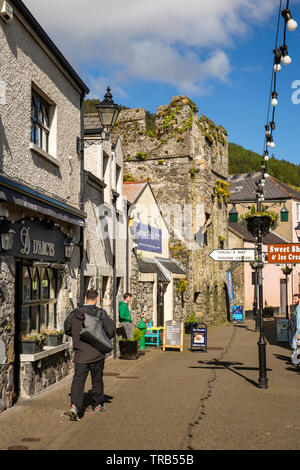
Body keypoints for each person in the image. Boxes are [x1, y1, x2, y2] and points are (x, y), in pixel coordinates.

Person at [69, 289, 116, 421]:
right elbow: (111, 330)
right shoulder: (100, 313)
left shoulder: (75, 313)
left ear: (85, 298)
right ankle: (96, 405)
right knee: (96, 380)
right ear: (96, 299)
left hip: (80, 354)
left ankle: (75, 406)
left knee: (78, 380)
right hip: (97, 353)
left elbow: (67, 327)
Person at [291, 294, 300, 366]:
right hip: (297, 328)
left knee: (294, 342)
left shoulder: (299, 307)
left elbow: (299, 319)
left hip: (299, 328)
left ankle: (295, 360)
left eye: (296, 299)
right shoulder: (297, 307)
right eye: (294, 299)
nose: (294, 300)